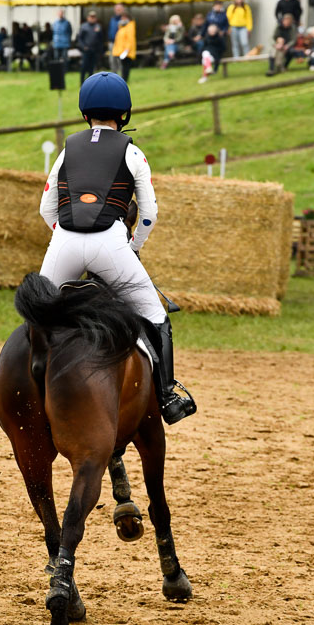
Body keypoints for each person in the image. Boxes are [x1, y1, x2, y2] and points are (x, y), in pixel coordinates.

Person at [38, 71, 196, 425]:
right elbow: (150, 215)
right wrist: (132, 246)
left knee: (37, 314)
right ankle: (168, 394)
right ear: (124, 115)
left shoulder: (67, 150)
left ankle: (32, 385)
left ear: (84, 114)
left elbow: (46, 209)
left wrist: (64, 235)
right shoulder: (133, 152)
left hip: (62, 241)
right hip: (110, 244)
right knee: (156, 316)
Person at [77, 11, 104, 85]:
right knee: (84, 66)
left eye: (94, 17)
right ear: (88, 18)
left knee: (92, 67)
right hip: (86, 50)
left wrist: (100, 49)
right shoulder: (84, 26)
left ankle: (90, 83)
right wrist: (83, 47)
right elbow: (79, 38)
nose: (92, 18)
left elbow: (101, 39)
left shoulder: (98, 26)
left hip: (94, 50)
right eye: (91, 17)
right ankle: (82, 82)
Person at [112, 10, 137, 82]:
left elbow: (130, 39)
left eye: (123, 18)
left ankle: (124, 80)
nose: (121, 19)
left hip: (126, 51)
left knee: (125, 67)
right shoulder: (122, 27)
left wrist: (126, 50)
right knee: (122, 67)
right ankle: (123, 80)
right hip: (121, 51)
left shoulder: (129, 27)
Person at [108, 3, 124, 72]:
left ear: (122, 10)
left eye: (119, 9)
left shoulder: (124, 20)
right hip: (112, 42)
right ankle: (113, 76)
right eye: (117, 9)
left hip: (121, 43)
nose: (118, 11)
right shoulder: (112, 19)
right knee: (112, 60)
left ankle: (121, 78)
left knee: (120, 60)